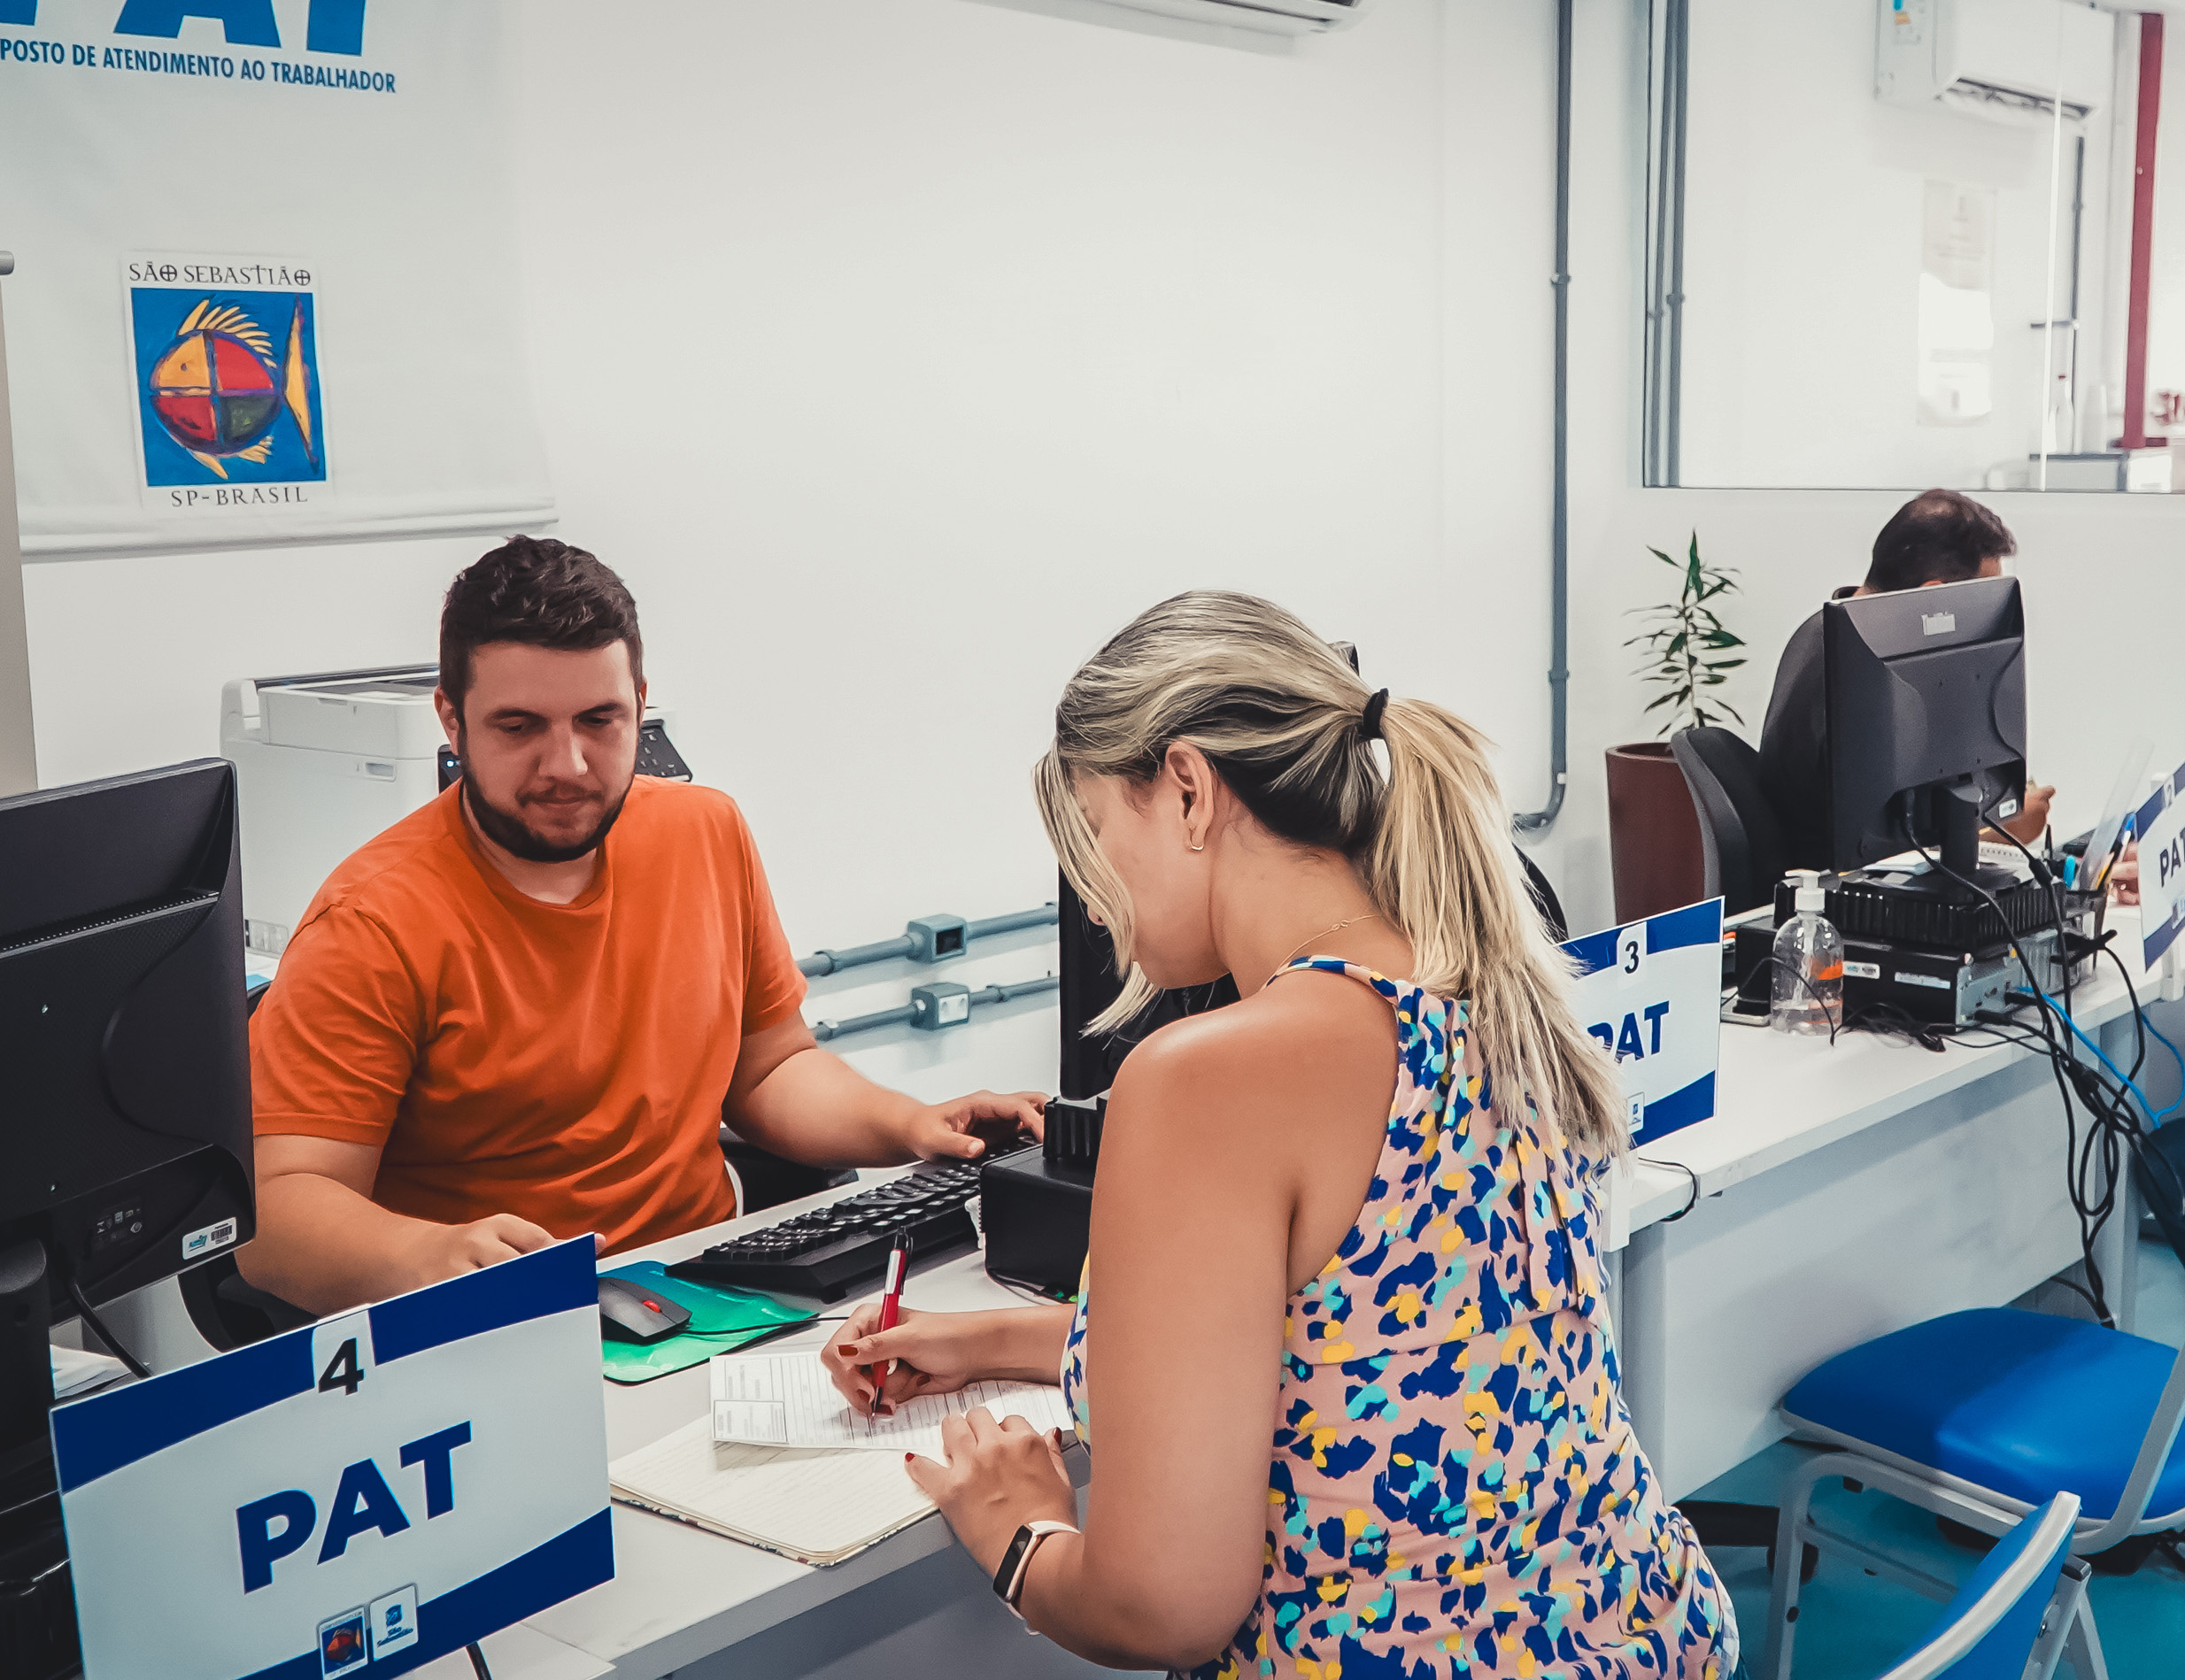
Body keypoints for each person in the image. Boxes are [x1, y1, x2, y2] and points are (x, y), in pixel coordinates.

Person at [819, 593, 1740, 1677]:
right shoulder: (1492, 985)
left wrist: (1016, 1529)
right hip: (1647, 1629)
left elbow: (1161, 1607)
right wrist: (981, 1340)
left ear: (1188, 789)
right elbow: (1360, 1336)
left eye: (1094, 833)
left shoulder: (1209, 1074)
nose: (1092, 897)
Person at [240, 536, 1042, 1314]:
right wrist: (427, 1258)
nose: (567, 765)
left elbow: (770, 1069)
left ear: (641, 704)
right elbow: (272, 1222)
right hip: (506, 1322)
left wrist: (911, 1124)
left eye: (600, 720)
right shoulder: (371, 922)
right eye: (519, 727)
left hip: (705, 1287)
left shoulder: (704, 832)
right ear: (452, 720)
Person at [1757, 488, 2053, 869]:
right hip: (1835, 889)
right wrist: (2000, 827)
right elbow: (1876, 847)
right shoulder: (1854, 679)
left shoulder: (1837, 636)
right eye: (1981, 600)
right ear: (1934, 597)